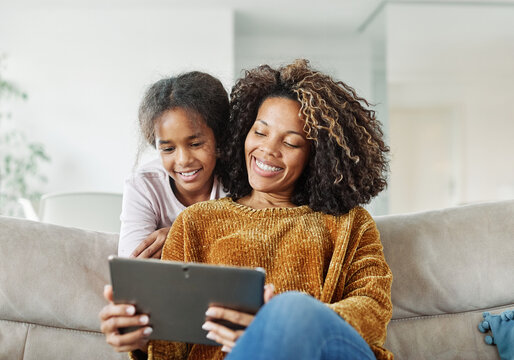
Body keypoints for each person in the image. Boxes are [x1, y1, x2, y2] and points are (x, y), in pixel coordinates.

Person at [100, 59, 393, 360]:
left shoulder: (350, 223)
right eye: (261, 132)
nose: (267, 150)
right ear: (243, 133)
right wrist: (139, 337)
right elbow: (171, 346)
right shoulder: (195, 223)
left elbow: (373, 306)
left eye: (291, 143)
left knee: (292, 308)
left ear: (317, 156)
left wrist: (277, 327)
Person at [117, 72, 229, 258]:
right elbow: (134, 262)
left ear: (218, 137)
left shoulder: (236, 178)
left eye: (195, 144)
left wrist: (180, 235)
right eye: (168, 149)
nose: (183, 160)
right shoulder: (144, 186)